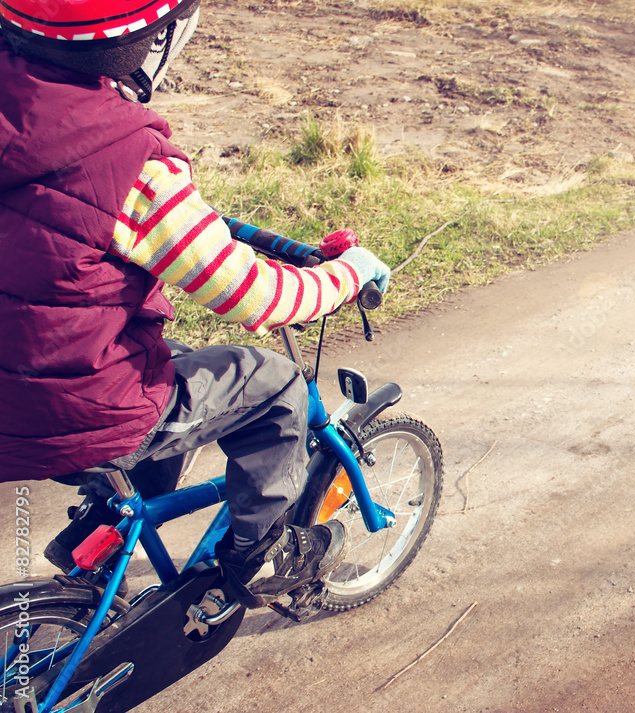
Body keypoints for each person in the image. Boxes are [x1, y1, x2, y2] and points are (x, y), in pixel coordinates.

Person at [0, 0, 392, 608]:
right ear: (148, 41)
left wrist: (189, 227)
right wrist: (349, 272)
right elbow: (257, 296)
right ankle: (255, 562)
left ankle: (103, 536)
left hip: (15, 377)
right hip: (66, 406)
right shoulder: (131, 165)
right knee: (278, 388)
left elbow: (55, 215)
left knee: (162, 359)